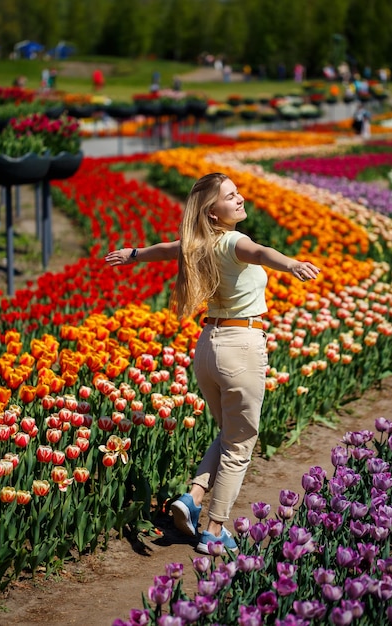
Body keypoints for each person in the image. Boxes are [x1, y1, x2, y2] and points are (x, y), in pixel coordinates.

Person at [105, 173, 320, 553]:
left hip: (207, 348)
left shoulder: (198, 243)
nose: (239, 199)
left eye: (238, 193)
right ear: (213, 213)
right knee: (240, 446)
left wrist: (133, 254)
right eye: (230, 196)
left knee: (228, 435)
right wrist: (291, 264)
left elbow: (166, 249)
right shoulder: (236, 241)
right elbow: (261, 253)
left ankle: (193, 496)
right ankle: (215, 530)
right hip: (241, 346)